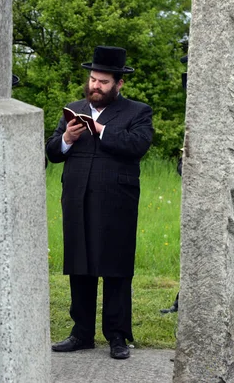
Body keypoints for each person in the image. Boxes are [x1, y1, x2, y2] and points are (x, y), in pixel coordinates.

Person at [46, 46, 154, 360]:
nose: (95, 85)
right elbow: (52, 152)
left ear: (119, 84)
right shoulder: (72, 108)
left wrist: (102, 130)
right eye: (93, 79)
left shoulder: (137, 112)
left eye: (103, 82)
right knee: (80, 263)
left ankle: (117, 336)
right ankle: (81, 333)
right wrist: (67, 137)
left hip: (117, 200)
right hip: (77, 198)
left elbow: (138, 145)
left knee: (116, 266)